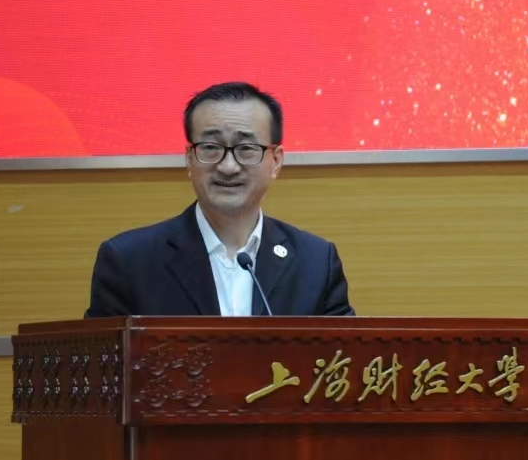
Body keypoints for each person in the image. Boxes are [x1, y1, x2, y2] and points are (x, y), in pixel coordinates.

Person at [84, 82, 354, 317]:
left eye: (246, 148)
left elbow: (343, 356)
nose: (228, 166)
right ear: (189, 159)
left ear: (276, 161)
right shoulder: (129, 261)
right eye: (211, 148)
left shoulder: (316, 262)